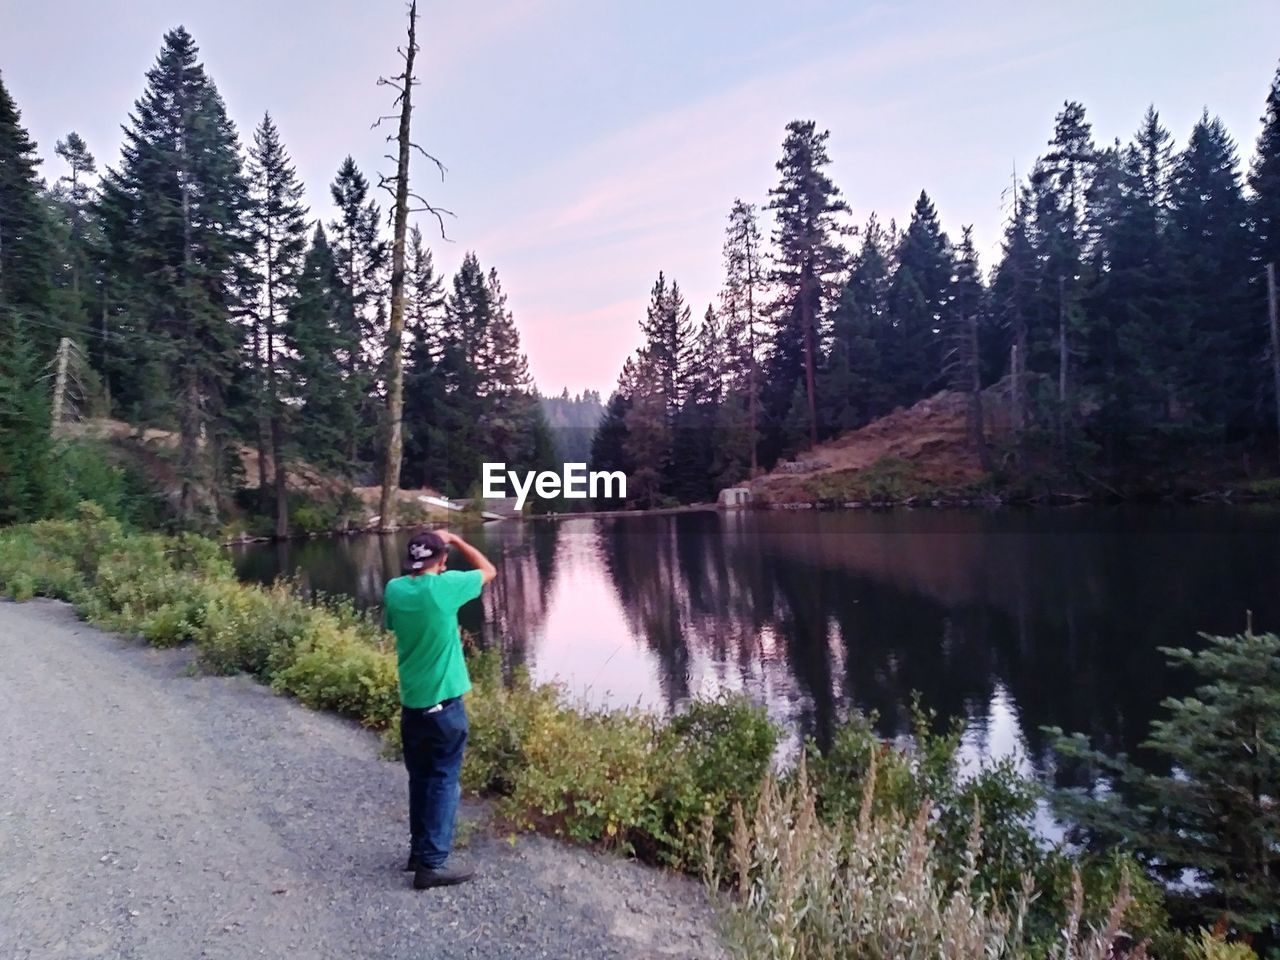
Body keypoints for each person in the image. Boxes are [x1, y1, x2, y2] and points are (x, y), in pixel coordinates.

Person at [382, 528, 496, 889]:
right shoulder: (444, 589)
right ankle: (431, 865)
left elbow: (393, 623)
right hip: (444, 707)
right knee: (444, 781)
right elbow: (489, 570)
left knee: (421, 779)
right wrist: (459, 540)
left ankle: (418, 853)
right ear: (442, 562)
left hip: (412, 706)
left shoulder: (394, 590)